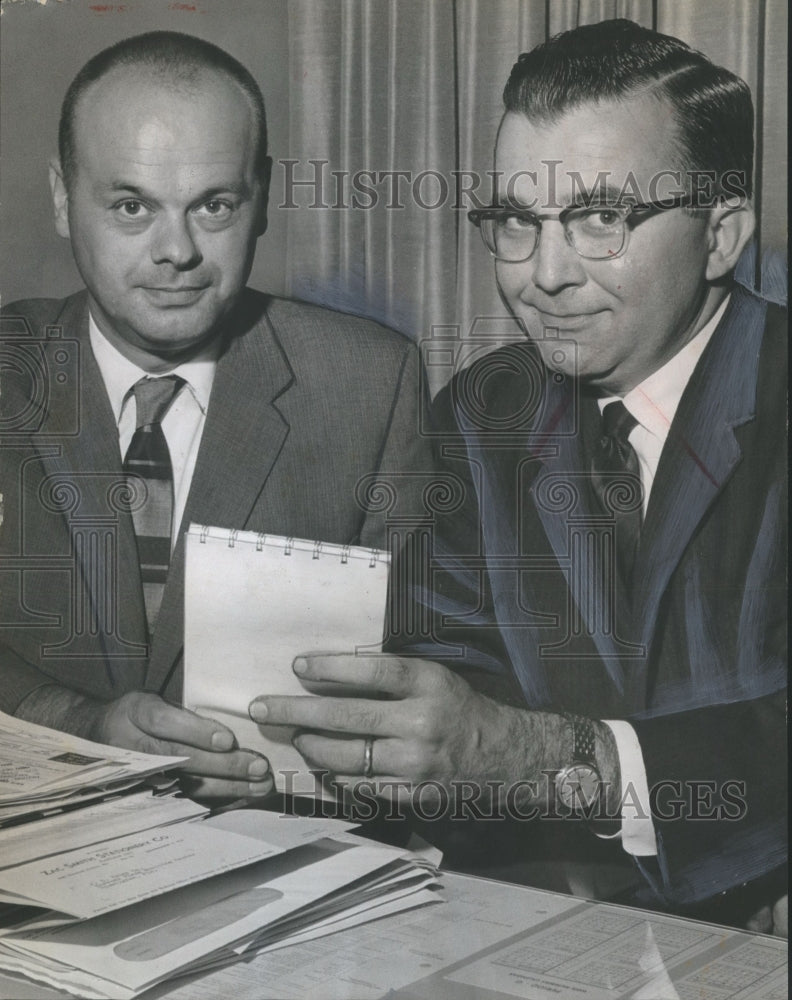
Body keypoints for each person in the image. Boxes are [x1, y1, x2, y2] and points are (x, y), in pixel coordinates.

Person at [250, 20, 787, 930]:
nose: (544, 275)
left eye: (601, 219)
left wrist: (551, 761)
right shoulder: (482, 412)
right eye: (516, 222)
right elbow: (448, 661)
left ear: (721, 235)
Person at [0, 31, 434, 803]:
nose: (177, 251)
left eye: (214, 205)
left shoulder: (371, 382)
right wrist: (82, 724)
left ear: (260, 199)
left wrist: (308, 776)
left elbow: (422, 671)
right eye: (132, 206)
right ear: (64, 199)